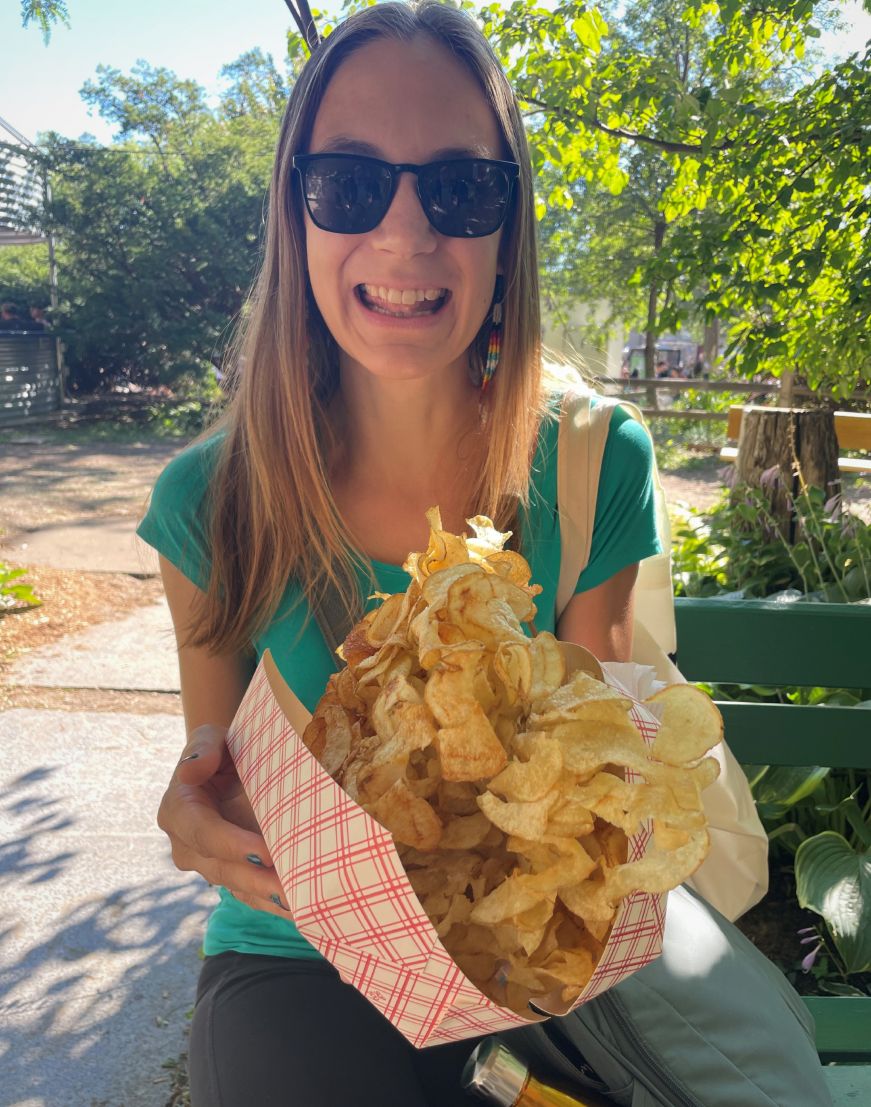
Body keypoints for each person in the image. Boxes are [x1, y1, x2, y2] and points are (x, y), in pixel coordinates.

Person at [137, 4, 767, 1104]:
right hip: (302, 952)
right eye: (349, 183)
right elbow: (213, 765)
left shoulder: (590, 462)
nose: (406, 233)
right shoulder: (209, 501)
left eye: (460, 188)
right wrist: (196, 812)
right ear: (295, 213)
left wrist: (629, 801)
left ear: (508, 224)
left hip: (535, 959)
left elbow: (602, 733)